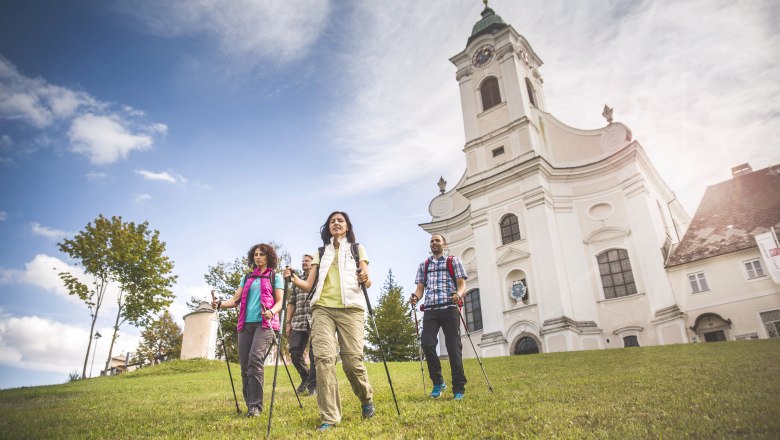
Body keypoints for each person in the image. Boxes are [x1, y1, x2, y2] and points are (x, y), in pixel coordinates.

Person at [284, 211, 374, 432]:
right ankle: (330, 417)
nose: (336, 223)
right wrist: (294, 278)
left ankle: (366, 398)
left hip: (351, 308)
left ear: (347, 226)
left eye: (340, 220)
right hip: (322, 308)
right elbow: (308, 285)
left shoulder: (356, 248)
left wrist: (364, 277)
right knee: (323, 359)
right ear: (328, 227)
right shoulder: (320, 252)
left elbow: (368, 279)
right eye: (332, 221)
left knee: (352, 362)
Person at [211, 243, 284, 417]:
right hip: (245, 325)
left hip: (265, 324)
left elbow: (280, 302)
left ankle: (256, 406)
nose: (257, 257)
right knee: (245, 366)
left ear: (269, 257)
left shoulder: (275, 276)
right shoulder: (247, 278)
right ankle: (250, 403)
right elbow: (235, 300)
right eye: (255, 254)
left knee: (255, 359)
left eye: (261, 254)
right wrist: (220, 303)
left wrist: (271, 312)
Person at [410, 234, 469, 401]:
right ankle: (438, 382)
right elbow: (420, 288)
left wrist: (458, 294)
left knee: (453, 347)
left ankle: (458, 387)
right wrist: (415, 297)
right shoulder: (424, 265)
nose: (434, 243)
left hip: (449, 308)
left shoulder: (453, 261)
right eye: (432, 241)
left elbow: (462, 284)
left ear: (444, 244)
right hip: (430, 309)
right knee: (427, 343)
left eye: (437, 240)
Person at [285, 254, 317, 396]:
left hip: (316, 318)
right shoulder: (296, 281)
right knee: (294, 351)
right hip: (298, 320)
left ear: (313, 263)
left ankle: (313, 386)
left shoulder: (319, 279)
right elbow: (291, 303)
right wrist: (288, 322)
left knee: (314, 353)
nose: (304, 263)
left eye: (307, 261)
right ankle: (305, 376)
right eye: (302, 261)